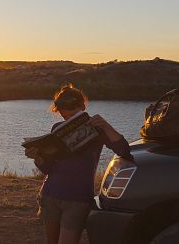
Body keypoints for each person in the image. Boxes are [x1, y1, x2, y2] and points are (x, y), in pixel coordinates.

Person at [25, 84, 133, 244]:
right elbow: (48, 169)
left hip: (77, 199)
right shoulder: (57, 128)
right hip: (50, 194)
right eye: (65, 118)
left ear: (83, 106)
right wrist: (37, 158)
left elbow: (124, 151)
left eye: (72, 117)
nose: (67, 121)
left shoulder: (98, 128)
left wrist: (105, 125)